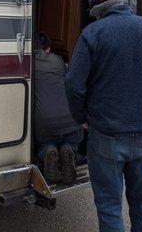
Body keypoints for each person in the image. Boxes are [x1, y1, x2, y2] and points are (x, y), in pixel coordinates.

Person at [65, 0, 142, 232]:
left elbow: (74, 85)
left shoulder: (92, 33)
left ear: (98, 11)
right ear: (121, 3)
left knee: (109, 205)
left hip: (106, 134)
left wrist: (82, 118)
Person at [34, 32, 84, 184]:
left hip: (45, 122)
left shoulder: (28, 63)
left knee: (43, 141)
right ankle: (69, 149)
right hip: (69, 119)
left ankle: (48, 151)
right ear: (48, 49)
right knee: (75, 138)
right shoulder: (58, 60)